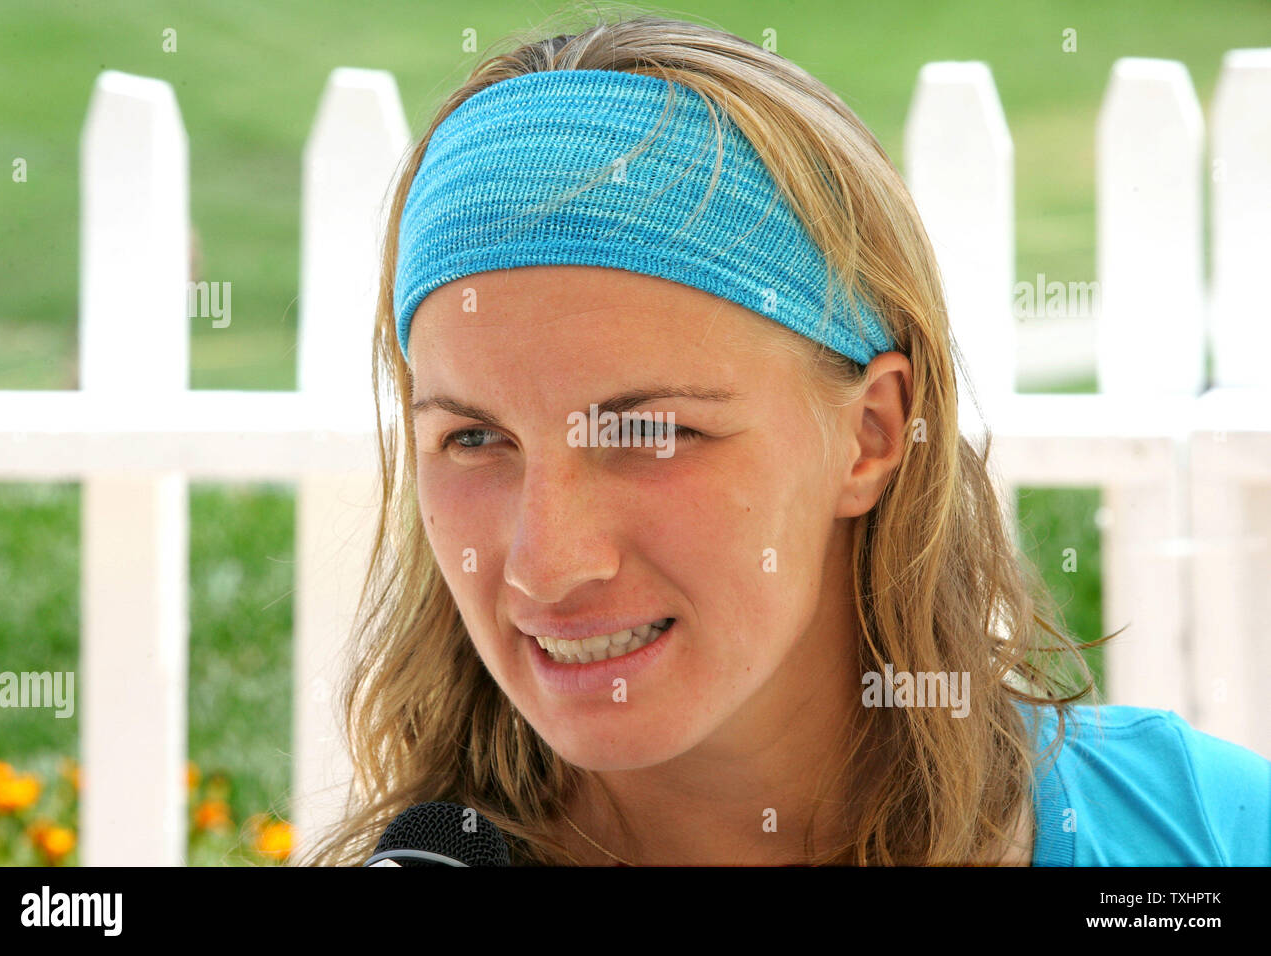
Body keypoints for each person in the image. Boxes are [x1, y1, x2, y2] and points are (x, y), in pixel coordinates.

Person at [297, 12, 1270, 866]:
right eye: (472, 438)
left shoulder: (1205, 832)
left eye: (649, 431)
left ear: (871, 433)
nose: (545, 563)